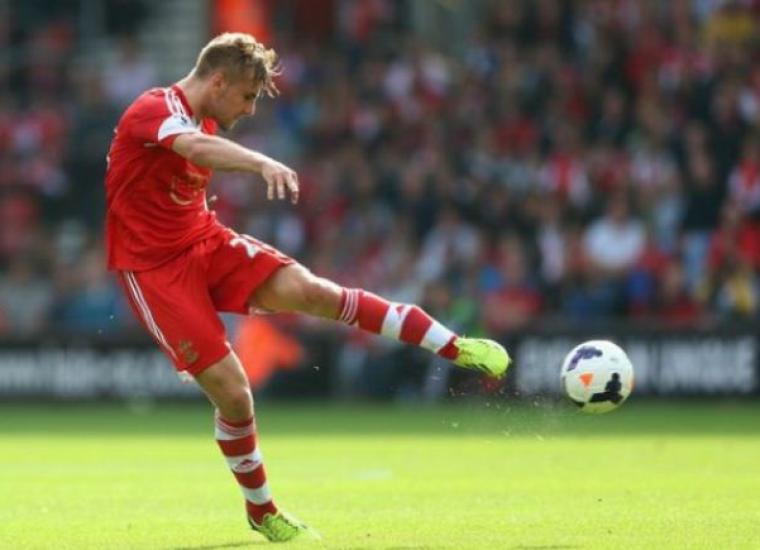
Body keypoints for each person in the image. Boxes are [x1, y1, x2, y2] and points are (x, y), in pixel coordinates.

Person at [104, 32, 511, 543]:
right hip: (154, 269)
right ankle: (262, 511)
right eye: (248, 96)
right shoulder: (155, 109)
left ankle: (453, 346)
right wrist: (261, 162)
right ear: (218, 81)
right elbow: (192, 146)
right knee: (235, 395)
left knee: (314, 291)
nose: (250, 109)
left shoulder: (205, 117)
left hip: (204, 240)